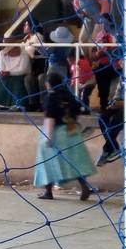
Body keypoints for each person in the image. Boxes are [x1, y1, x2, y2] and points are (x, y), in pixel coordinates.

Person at [33, 70, 95, 201]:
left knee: (47, 162)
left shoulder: (51, 97)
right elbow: (77, 112)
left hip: (56, 133)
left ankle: (48, 191)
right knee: (75, 162)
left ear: (48, 84)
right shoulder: (70, 95)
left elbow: (50, 118)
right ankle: (84, 186)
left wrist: (48, 137)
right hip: (72, 132)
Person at [0, 44, 31, 111]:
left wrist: (10, 73)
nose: (17, 49)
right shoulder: (1, 54)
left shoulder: (24, 54)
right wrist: (3, 73)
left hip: (20, 75)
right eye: (14, 48)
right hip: (7, 75)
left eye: (17, 47)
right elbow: (1, 69)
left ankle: (17, 104)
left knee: (17, 81)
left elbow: (23, 70)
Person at [90, 13, 118, 111]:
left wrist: (102, 53)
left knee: (103, 73)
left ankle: (105, 102)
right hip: (102, 63)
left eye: (105, 23)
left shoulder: (114, 34)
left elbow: (116, 50)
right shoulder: (99, 35)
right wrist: (95, 55)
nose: (102, 25)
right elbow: (95, 49)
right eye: (101, 23)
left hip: (114, 64)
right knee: (98, 72)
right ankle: (103, 102)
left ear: (110, 23)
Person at [96, 78, 124, 167]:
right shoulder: (123, 76)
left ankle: (107, 149)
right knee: (103, 117)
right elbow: (118, 92)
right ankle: (114, 147)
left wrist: (123, 103)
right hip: (120, 104)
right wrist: (113, 103)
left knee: (117, 118)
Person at [22, 18, 47, 111]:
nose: (24, 27)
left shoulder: (38, 37)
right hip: (31, 65)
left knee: (41, 78)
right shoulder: (27, 38)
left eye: (26, 25)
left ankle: (42, 103)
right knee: (28, 78)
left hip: (41, 65)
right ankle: (32, 103)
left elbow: (33, 52)